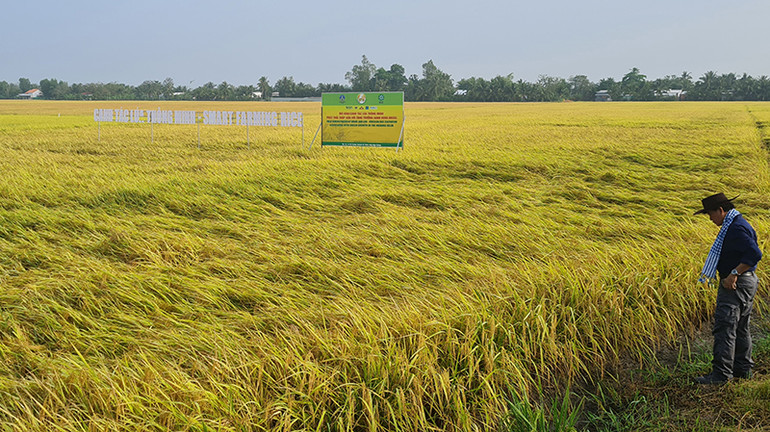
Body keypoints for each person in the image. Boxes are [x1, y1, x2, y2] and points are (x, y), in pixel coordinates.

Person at [693, 192, 762, 385]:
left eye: (710, 214)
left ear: (721, 210)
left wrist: (733, 274)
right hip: (746, 283)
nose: (710, 218)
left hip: (736, 285)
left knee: (725, 328)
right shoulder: (736, 224)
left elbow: (755, 254)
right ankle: (743, 370)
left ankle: (721, 376)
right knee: (740, 327)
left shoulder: (736, 228)